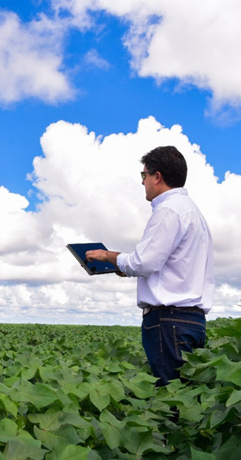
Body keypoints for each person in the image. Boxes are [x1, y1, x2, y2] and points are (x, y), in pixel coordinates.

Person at [85, 145, 214, 386]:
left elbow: (143, 262)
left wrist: (108, 256)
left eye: (143, 175)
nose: (142, 182)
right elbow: (172, 265)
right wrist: (124, 267)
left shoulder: (168, 210)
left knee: (169, 399)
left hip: (169, 321)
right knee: (187, 397)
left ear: (157, 176)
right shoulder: (193, 212)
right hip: (193, 321)